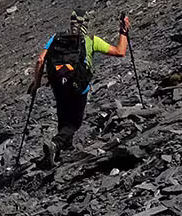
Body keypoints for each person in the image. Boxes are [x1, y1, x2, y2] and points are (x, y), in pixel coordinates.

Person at [29, 10, 129, 152]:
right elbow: (120, 51)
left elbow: (40, 60)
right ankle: (57, 144)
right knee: (74, 123)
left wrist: (36, 84)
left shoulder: (56, 38)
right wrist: (123, 32)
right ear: (86, 23)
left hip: (58, 85)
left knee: (63, 118)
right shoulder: (91, 41)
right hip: (79, 87)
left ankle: (61, 149)